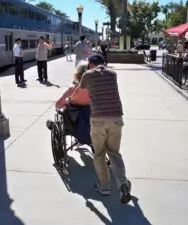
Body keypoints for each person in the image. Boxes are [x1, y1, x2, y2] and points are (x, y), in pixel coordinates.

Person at [68, 53, 131, 204]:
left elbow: (78, 89)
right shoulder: (112, 73)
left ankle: (104, 186)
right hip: (116, 118)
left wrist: (70, 99)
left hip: (98, 119)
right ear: (104, 62)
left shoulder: (88, 75)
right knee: (114, 153)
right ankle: (122, 183)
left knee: (99, 153)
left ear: (90, 64)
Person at [46, 61, 90, 130]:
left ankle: (55, 126)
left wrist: (67, 102)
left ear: (77, 75)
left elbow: (58, 105)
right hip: (94, 123)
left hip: (74, 125)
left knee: (65, 109)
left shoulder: (72, 89)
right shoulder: (97, 90)